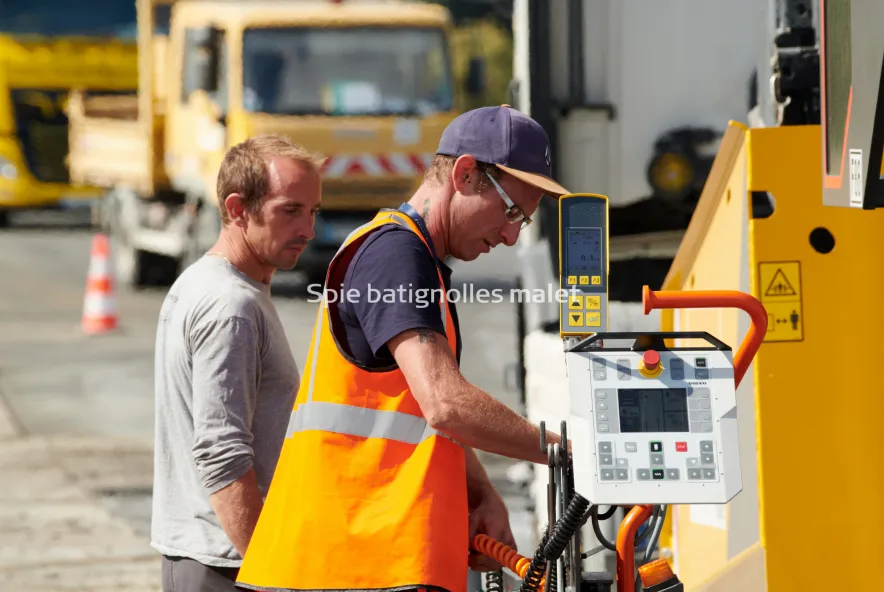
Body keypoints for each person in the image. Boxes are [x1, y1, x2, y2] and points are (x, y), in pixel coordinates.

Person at [234, 106, 571, 592]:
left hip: (364, 564)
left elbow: (417, 410)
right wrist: (567, 453)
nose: (512, 235)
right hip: (351, 565)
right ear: (466, 173)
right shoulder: (395, 255)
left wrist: (480, 491)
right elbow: (446, 404)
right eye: (512, 211)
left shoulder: (412, 259)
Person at [150, 134, 324, 591]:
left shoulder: (209, 284)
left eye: (313, 211)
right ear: (235, 208)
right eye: (290, 210)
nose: (308, 229)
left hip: (214, 557)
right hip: (227, 565)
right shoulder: (231, 305)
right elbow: (222, 454)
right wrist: (272, 570)